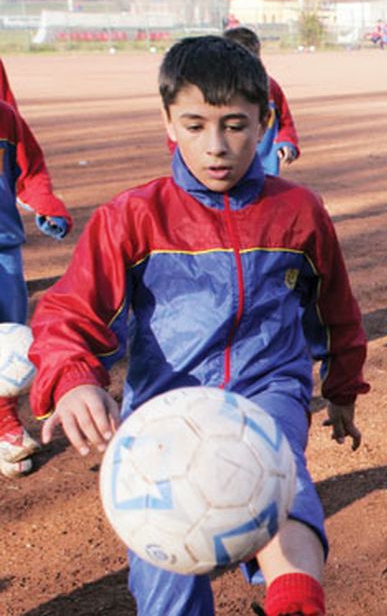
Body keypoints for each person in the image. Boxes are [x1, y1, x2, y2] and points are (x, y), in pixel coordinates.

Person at [29, 35, 369, 616]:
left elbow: (334, 311)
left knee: (279, 478)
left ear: (265, 121)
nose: (216, 147)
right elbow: (69, 313)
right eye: (194, 125)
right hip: (165, 412)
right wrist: (75, 379)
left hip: (269, 391)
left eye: (235, 125)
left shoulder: (299, 213)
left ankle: (293, 601)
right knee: (168, 577)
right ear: (168, 121)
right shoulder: (132, 219)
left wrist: (341, 390)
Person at [0, 65, 73, 478]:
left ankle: (5, 424)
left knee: (7, 337)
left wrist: (47, 204)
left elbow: (28, 172)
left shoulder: (7, 120)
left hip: (3, 249)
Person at [222, 26, 302, 176]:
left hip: (266, 172)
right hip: (229, 170)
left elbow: (286, 122)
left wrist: (286, 142)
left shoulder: (270, 87)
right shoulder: (216, 91)